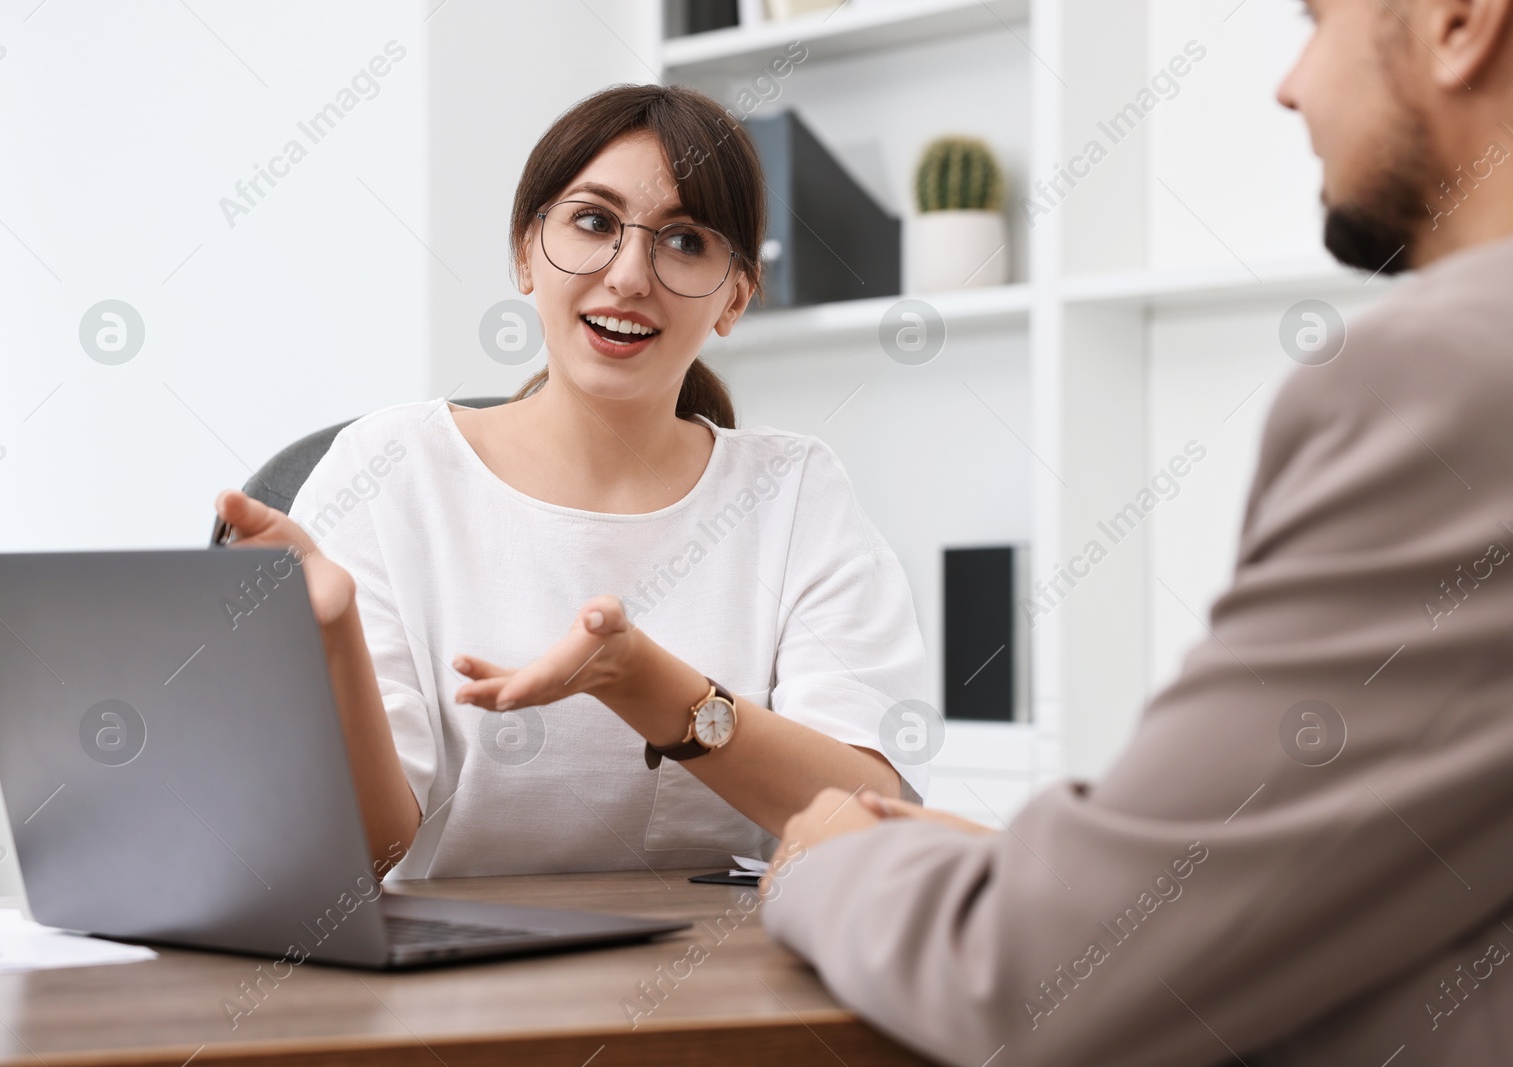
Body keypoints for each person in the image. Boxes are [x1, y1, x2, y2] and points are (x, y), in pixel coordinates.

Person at [763, 0, 1513, 1062]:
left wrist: (827, 861)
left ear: (1456, 23)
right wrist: (1052, 870)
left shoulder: (1443, 372)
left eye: (1313, 21)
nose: (1287, 84)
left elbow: (1031, 983)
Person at [211, 84, 926, 879]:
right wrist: (335, 637)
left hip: (723, 980)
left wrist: (649, 686)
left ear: (735, 297)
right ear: (526, 250)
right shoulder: (387, 470)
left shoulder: (795, 492)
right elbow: (366, 849)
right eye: (593, 222)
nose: (628, 276)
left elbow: (870, 819)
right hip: (452, 992)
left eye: (685, 240)